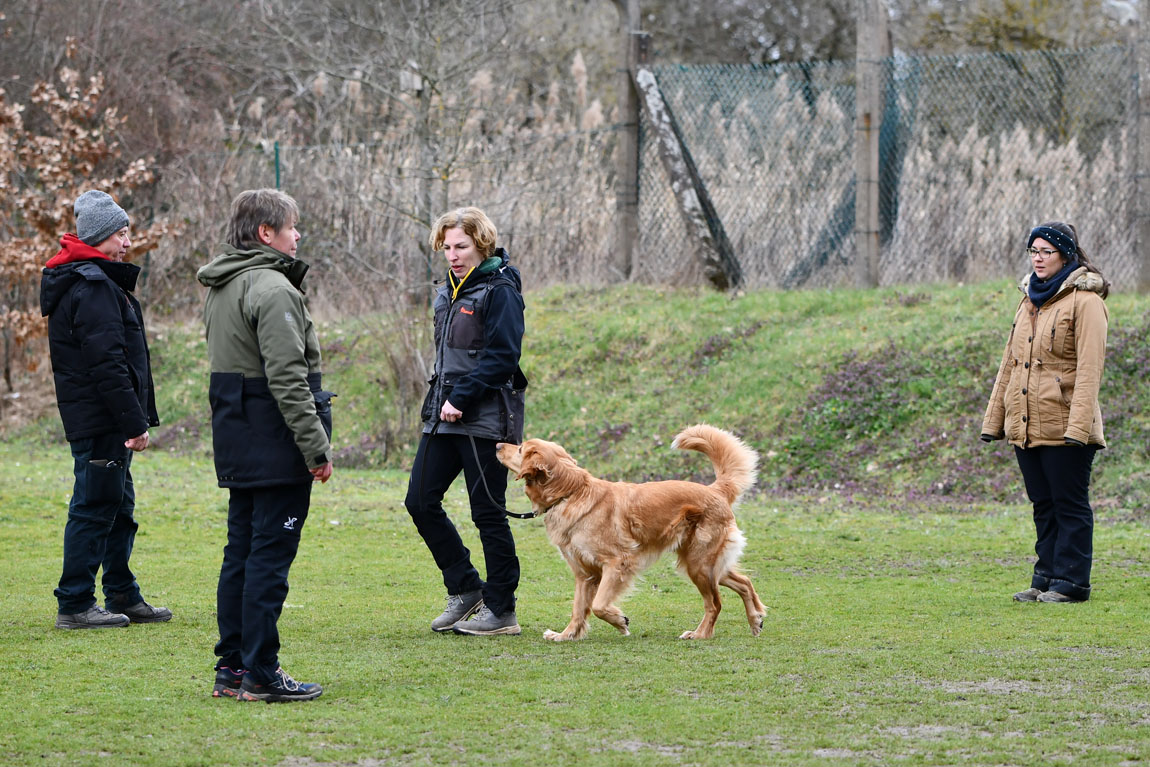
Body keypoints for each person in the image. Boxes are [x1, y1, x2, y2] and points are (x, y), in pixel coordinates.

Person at [197, 189, 334, 701]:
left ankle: (231, 669)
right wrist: (316, 448)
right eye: (292, 227)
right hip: (275, 442)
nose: (298, 235)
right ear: (265, 234)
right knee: (268, 561)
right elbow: (287, 379)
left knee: (241, 554)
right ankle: (261, 673)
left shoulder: (222, 285)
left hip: (237, 435)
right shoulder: (273, 288)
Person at [40, 190, 171, 630]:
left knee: (118, 505)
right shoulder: (93, 288)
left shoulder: (95, 282)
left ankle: (122, 593)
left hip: (105, 420)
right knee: (95, 505)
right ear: (98, 238)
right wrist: (133, 423)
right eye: (121, 233)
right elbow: (108, 364)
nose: (128, 242)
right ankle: (75, 602)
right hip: (102, 421)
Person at [405, 206, 527, 636]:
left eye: (461, 246)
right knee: (419, 501)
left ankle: (501, 610)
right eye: (447, 247)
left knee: (487, 513)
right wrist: (444, 398)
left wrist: (462, 395)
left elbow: (503, 358)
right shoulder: (446, 291)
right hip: (442, 414)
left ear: (482, 244)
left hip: (486, 417)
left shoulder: (501, 290)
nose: (452, 255)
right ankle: (464, 588)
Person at [981, 221, 1109, 604]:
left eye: (1045, 252)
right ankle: (1046, 578)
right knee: (1043, 505)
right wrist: (994, 420)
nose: (1037, 259)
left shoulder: (1087, 302)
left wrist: (1078, 427)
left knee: (1069, 505)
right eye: (1033, 251)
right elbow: (1010, 363)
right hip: (1025, 422)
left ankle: (1072, 583)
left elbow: (1089, 370)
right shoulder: (1028, 301)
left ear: (1066, 255)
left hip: (1067, 424)